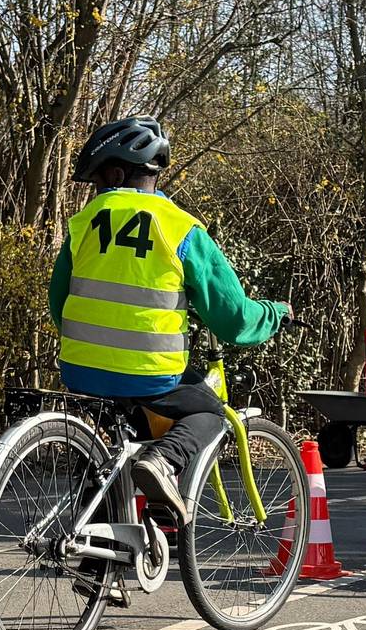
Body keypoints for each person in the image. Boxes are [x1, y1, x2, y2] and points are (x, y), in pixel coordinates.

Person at [50, 115, 287, 520]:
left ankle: (98, 564)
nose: (97, 191)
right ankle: (163, 462)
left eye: (98, 181)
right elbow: (234, 321)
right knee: (212, 413)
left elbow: (59, 301)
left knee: (113, 449)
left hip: (79, 370)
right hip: (150, 377)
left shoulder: (84, 223)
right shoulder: (181, 229)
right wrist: (276, 313)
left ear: (117, 172)